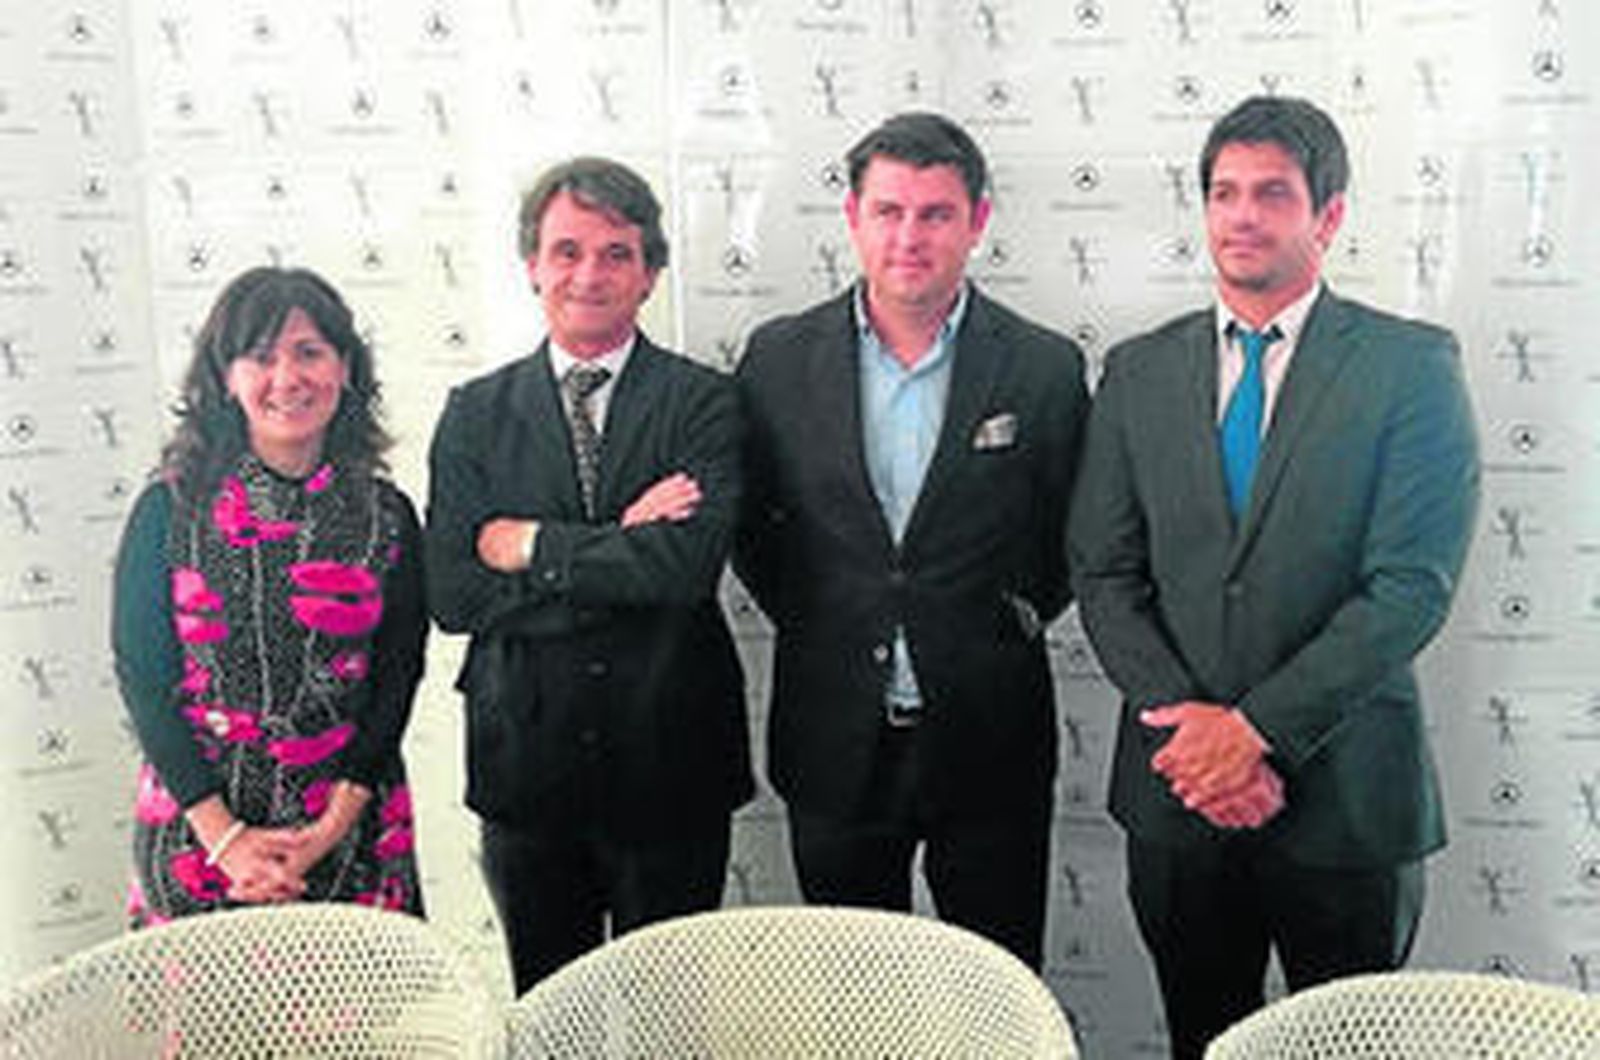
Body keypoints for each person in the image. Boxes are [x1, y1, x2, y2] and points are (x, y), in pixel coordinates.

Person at [1068, 95, 1481, 1058]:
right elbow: (1103, 570)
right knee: (1202, 1040)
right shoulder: (1136, 372)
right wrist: (1201, 741)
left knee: (1349, 1049)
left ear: (1327, 216)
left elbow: (1409, 587)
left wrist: (1254, 733)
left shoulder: (1409, 368)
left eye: (1273, 194)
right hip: (1179, 799)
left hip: (1347, 801)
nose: (1242, 215)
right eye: (1223, 193)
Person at [734, 112, 1089, 969]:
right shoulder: (778, 360)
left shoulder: (1041, 367)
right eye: (889, 211)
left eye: (936, 213)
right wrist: (836, 613)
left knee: (999, 987)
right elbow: (756, 530)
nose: (910, 236)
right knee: (855, 1000)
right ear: (853, 218)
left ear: (978, 221)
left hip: (990, 731)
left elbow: (1072, 533)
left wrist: (999, 616)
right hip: (833, 734)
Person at [425, 157, 750, 993]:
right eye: (567, 251)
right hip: (526, 765)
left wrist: (530, 543)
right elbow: (456, 595)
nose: (588, 274)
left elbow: (682, 570)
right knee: (549, 1006)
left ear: (650, 274)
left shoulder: (706, 402)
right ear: (532, 263)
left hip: (671, 762)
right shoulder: (474, 413)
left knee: (669, 1020)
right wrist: (619, 544)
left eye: (616, 253)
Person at [113, 266, 427, 926]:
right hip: (199, 831)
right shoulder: (167, 509)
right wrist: (226, 839)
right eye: (260, 356)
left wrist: (331, 827)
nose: (288, 378)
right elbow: (144, 680)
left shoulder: (387, 514)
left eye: (310, 352)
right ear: (225, 378)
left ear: (345, 368)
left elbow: (397, 675)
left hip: (352, 829)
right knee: (209, 1027)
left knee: (363, 1029)